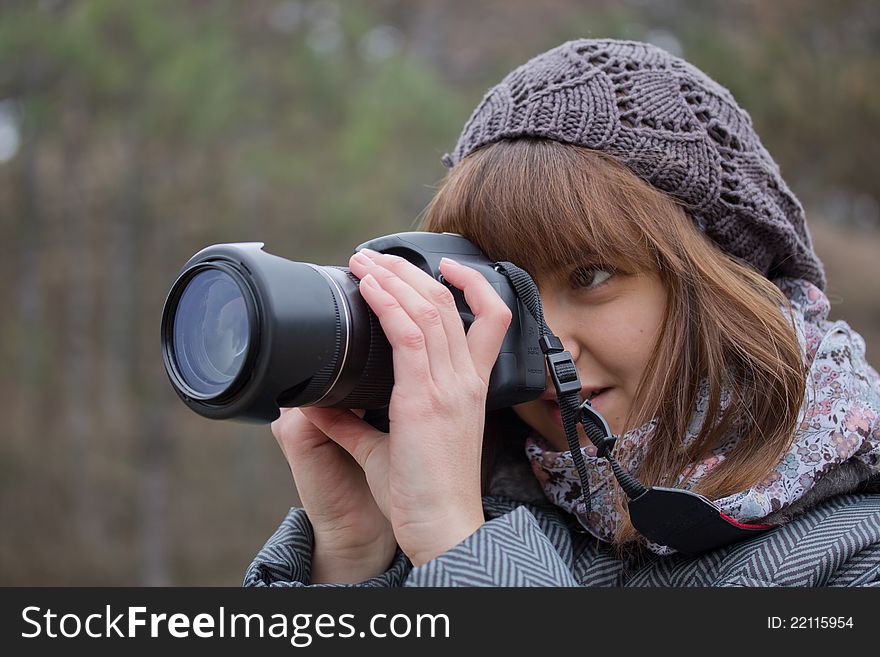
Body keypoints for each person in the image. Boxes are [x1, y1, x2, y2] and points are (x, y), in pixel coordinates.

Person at [244, 39, 880, 587]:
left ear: (723, 284)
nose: (543, 343)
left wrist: (463, 553)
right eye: (498, 294)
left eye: (591, 276)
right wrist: (354, 557)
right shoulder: (456, 515)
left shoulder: (854, 557)